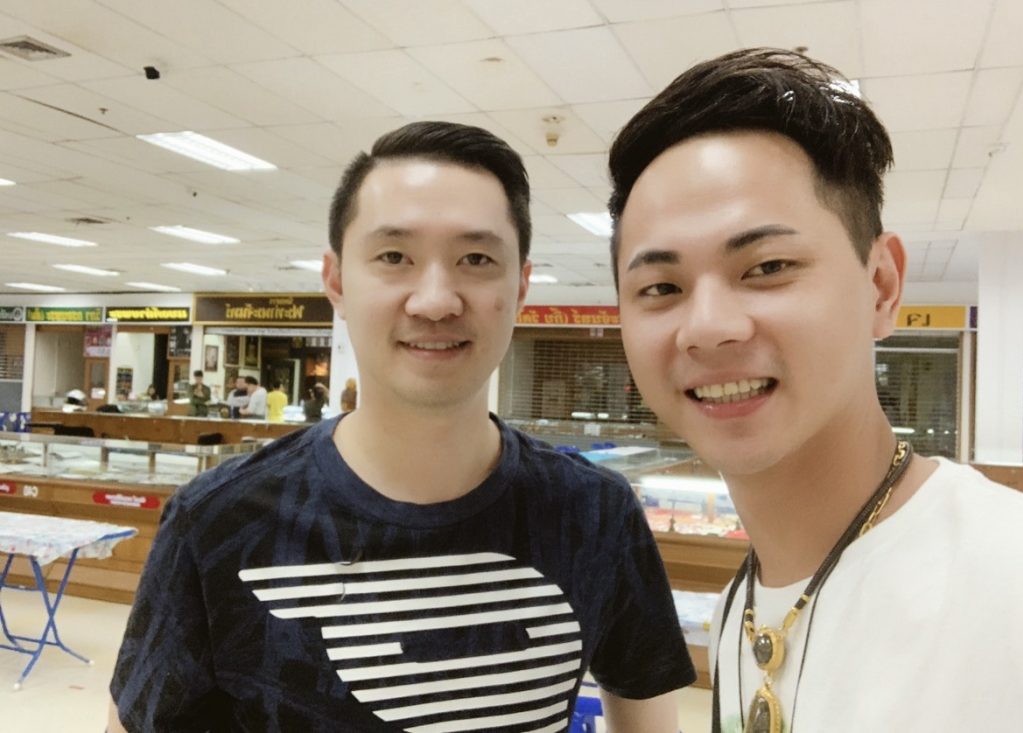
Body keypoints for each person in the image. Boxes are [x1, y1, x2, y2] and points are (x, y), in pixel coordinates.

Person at [109, 120, 693, 732]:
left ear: (521, 284)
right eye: (394, 257)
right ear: (337, 280)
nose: (435, 300)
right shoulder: (216, 520)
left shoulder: (596, 513)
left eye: (476, 259)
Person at [607, 48, 1023, 733]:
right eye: (661, 287)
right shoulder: (739, 608)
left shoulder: (1007, 578)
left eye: (768, 266)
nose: (707, 327)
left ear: (881, 286)